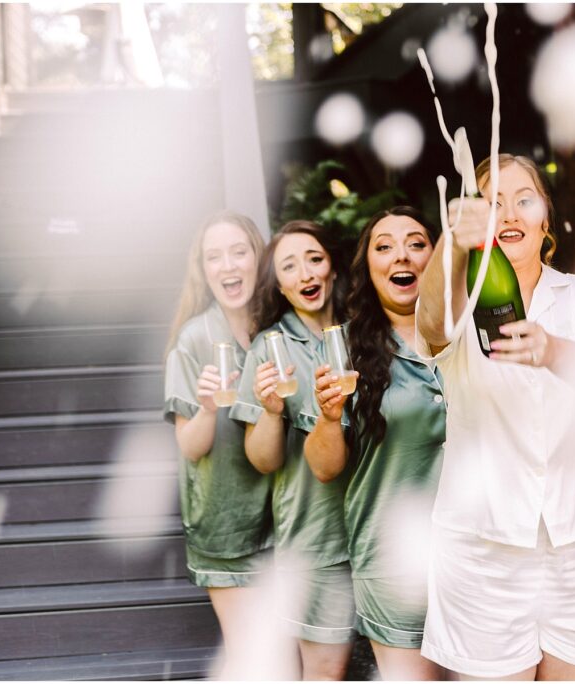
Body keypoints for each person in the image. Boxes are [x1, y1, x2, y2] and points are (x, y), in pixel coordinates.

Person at [415, 154, 575, 681]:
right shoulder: (460, 305)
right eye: (492, 202)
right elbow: (432, 321)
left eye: (523, 199)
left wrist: (551, 348)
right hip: (482, 552)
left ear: (545, 220)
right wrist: (452, 238)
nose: (508, 212)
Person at [303, 207, 447, 681]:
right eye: (383, 246)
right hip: (394, 562)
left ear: (440, 256)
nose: (401, 255)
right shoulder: (344, 349)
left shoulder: (473, 337)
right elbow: (324, 468)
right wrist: (327, 418)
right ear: (368, 268)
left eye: (416, 243)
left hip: (479, 552)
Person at [230, 220, 356, 681]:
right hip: (317, 544)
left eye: (315, 259)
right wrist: (269, 411)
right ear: (279, 286)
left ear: (333, 269)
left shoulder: (366, 334)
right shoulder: (271, 348)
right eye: (289, 266)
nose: (306, 274)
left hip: (380, 535)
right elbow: (262, 460)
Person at [163, 210, 274, 679]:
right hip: (226, 525)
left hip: (285, 521)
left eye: (239, 252)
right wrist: (207, 407)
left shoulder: (280, 329)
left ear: (258, 258)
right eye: (215, 257)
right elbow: (189, 447)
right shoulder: (192, 340)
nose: (228, 266)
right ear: (203, 270)